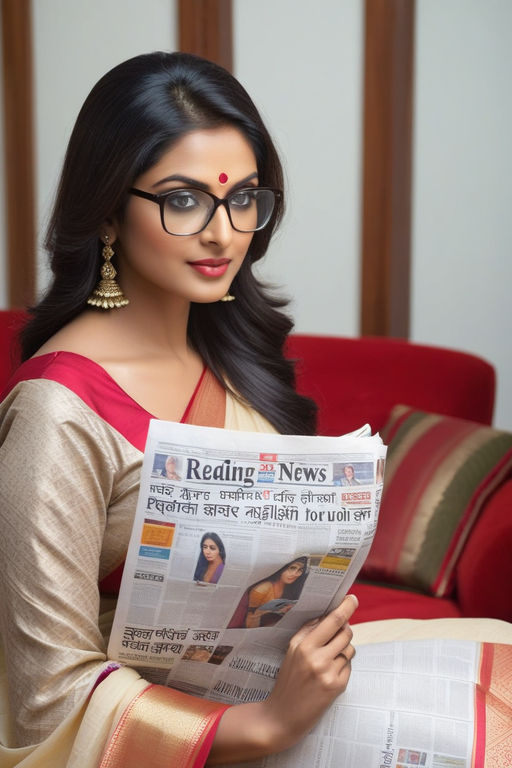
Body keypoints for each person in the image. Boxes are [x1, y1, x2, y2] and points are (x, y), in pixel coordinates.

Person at [0, 52, 357, 767]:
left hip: (269, 702)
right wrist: (263, 728)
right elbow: (48, 695)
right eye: (184, 199)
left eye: (245, 197)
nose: (225, 233)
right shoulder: (57, 410)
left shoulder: (229, 354)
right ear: (106, 208)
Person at [229, 556, 309, 629]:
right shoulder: (262, 589)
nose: (295, 574)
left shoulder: (291, 588)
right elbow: (250, 621)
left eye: (300, 570)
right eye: (292, 568)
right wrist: (270, 611)